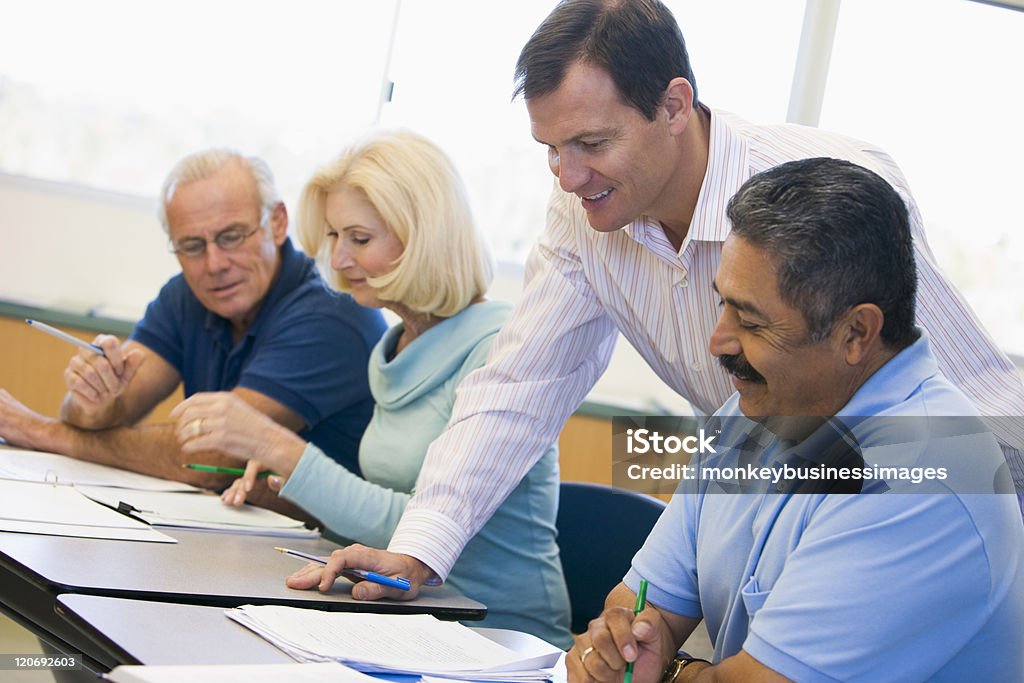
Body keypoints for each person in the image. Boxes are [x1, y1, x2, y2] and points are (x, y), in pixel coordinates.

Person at [309, 0, 1024, 600]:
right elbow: (520, 384)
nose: (567, 175)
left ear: (674, 105)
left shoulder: (827, 191)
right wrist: (421, 549)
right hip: (776, 485)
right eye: (550, 148)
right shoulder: (586, 217)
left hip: (946, 495)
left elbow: (939, 404)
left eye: (590, 142)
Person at [570, 158, 1024, 682]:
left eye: (752, 321)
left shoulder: (927, 476)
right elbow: (642, 604)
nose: (717, 341)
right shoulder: (757, 409)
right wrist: (621, 646)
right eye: (723, 304)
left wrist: (671, 672)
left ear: (856, 333)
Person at [168, 130, 573, 648]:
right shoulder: (398, 346)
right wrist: (282, 484)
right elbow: (386, 508)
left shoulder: (501, 348)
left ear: (424, 236)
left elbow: (423, 526)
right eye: (335, 237)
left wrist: (282, 451)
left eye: (358, 239)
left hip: (490, 635)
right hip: (399, 616)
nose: (337, 260)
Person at [0, 149, 385, 490]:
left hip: (323, 553)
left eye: (232, 236)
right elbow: (106, 409)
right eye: (192, 246)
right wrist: (91, 399)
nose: (214, 265)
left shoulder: (332, 310)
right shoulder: (187, 294)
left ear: (278, 222)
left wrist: (40, 431)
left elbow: (212, 459)